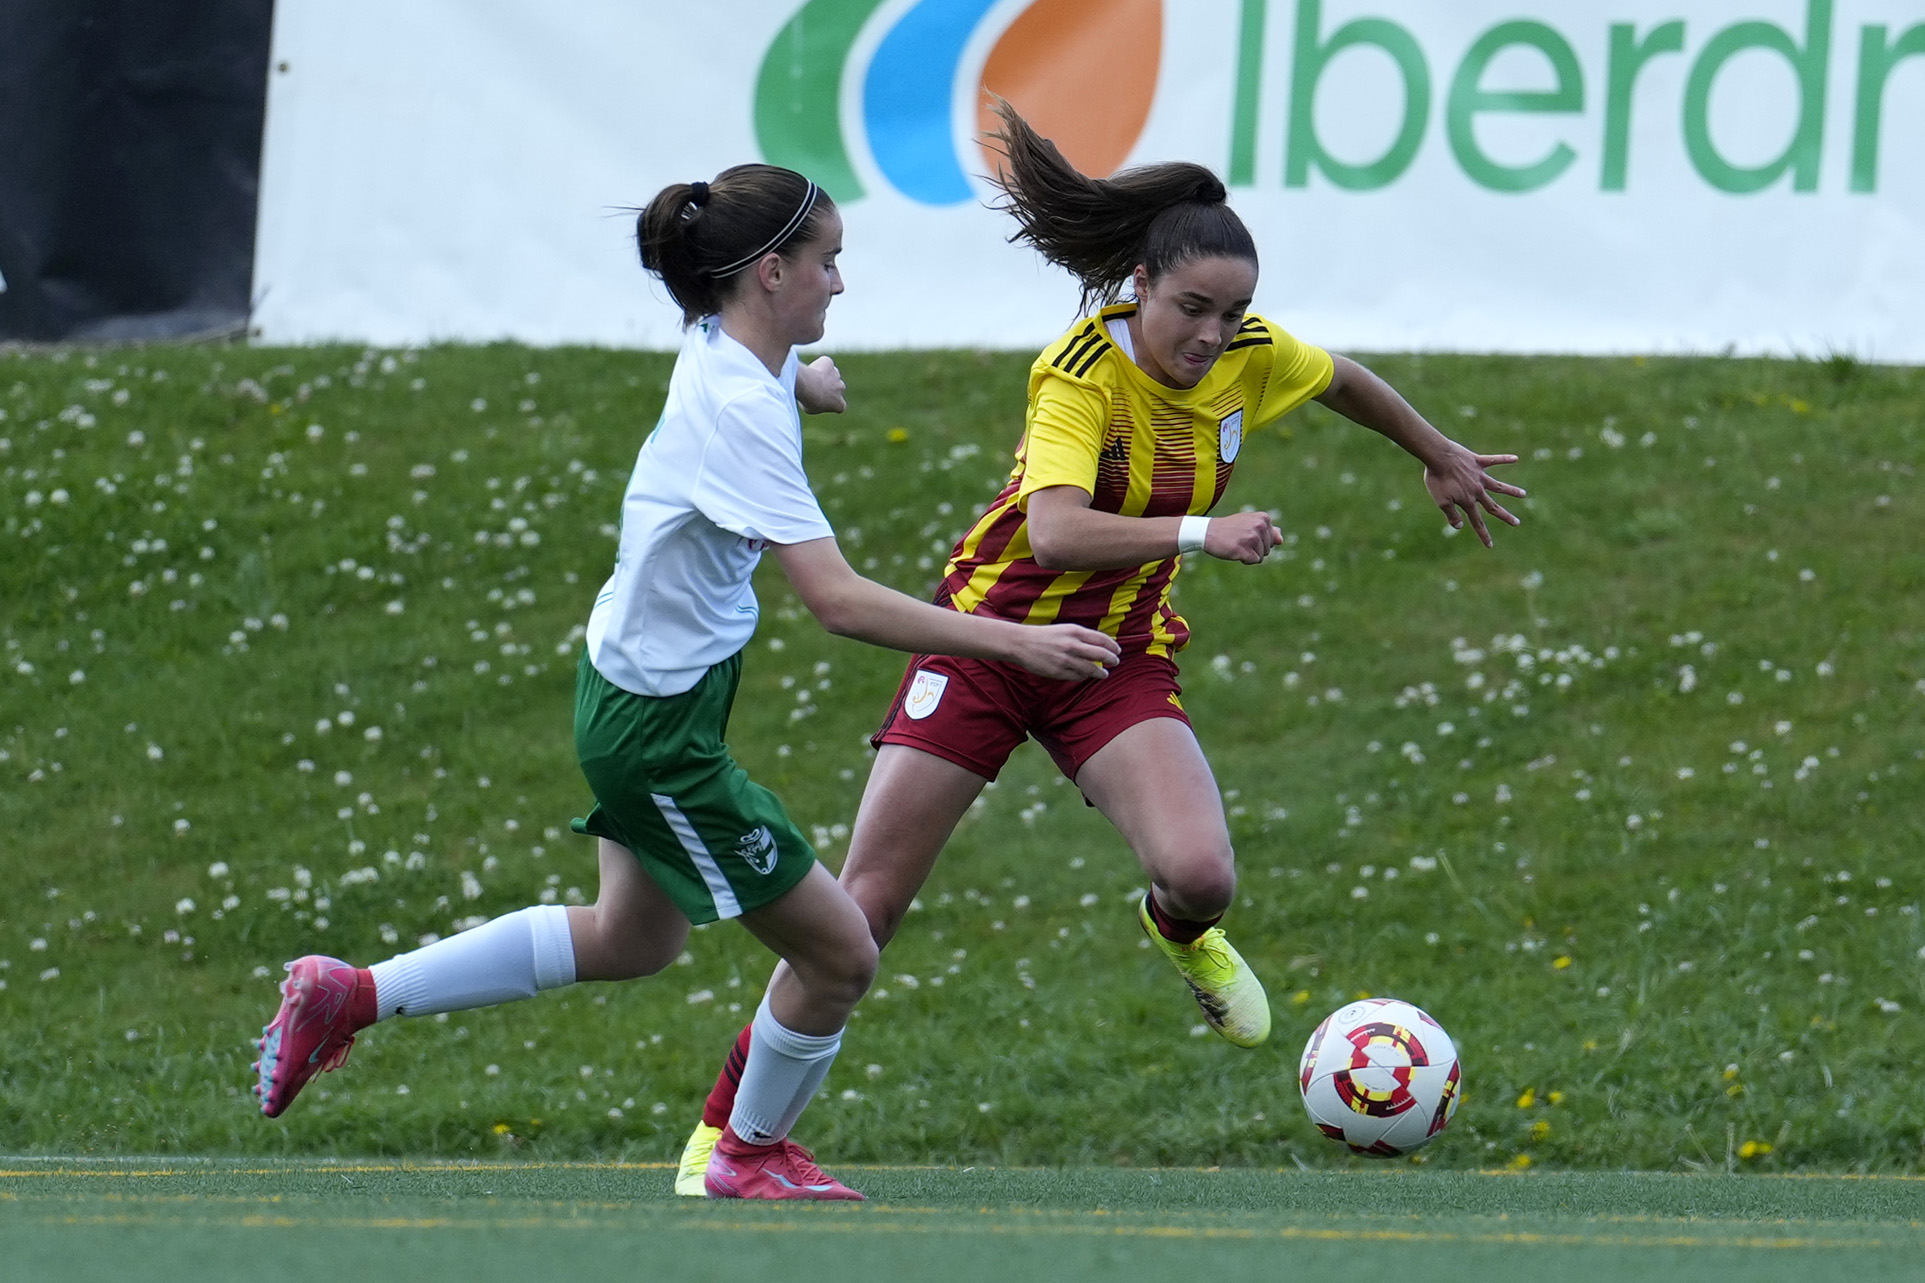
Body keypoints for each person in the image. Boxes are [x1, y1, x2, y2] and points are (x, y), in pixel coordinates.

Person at [670, 104, 1525, 1194]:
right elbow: (1055, 532)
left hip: (1110, 658)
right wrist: (1202, 533)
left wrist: (1436, 450)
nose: (1212, 335)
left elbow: (1342, 376)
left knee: (1201, 874)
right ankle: (725, 1131)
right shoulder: (1077, 372)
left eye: (1232, 313)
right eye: (1191, 309)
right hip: (989, 642)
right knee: (860, 911)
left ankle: (1176, 932)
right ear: (1138, 283)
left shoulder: (1249, 356)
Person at [249, 161, 1120, 1202]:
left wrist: (801, 381)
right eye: (827, 262)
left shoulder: (727, 351)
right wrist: (1013, 643)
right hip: (658, 731)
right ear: (769, 273)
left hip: (631, 693)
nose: (839, 283)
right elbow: (838, 601)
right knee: (842, 955)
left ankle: (348, 994)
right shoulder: (739, 408)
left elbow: (742, 378)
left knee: (630, 937)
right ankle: (746, 1153)